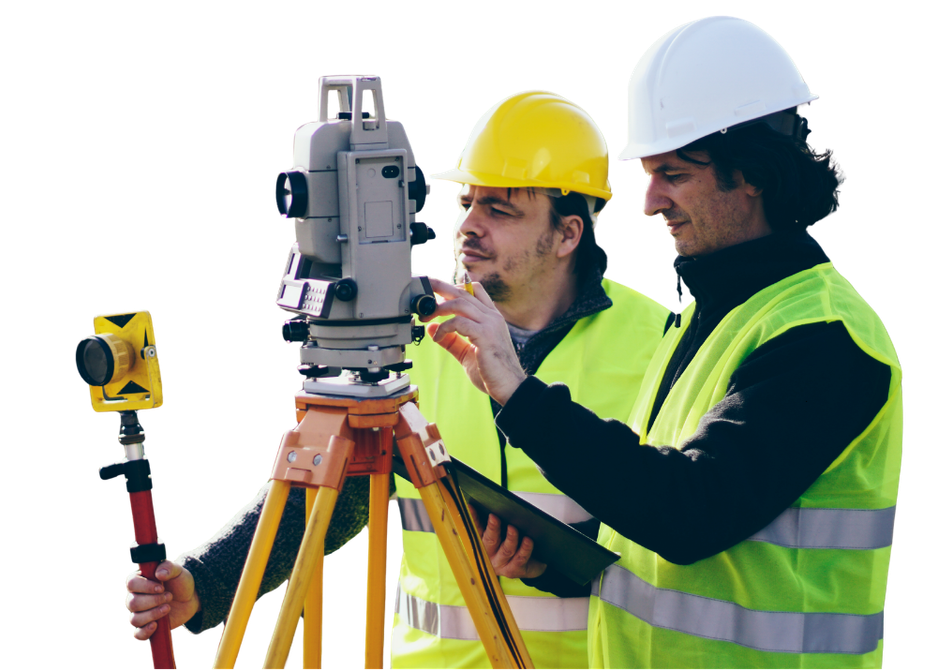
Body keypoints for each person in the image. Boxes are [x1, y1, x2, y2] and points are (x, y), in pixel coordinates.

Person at [124, 89, 671, 669]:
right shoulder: (412, 334)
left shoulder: (657, 342)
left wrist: (557, 560)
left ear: (568, 234)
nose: (468, 227)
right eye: (466, 203)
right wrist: (206, 581)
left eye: (501, 210)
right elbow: (336, 495)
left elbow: (678, 523)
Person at [424, 16, 903, 670]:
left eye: (672, 173)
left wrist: (517, 391)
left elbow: (691, 512)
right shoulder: (706, 318)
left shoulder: (825, 338)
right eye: (647, 173)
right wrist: (557, 559)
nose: (648, 202)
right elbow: (660, 532)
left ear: (751, 173)